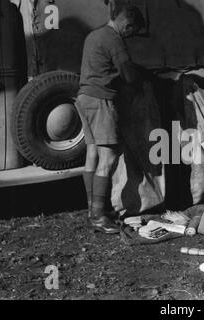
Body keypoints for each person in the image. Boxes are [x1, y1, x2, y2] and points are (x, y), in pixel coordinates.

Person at [76, 0, 145, 234]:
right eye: (132, 31)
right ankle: (98, 216)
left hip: (84, 98)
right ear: (127, 23)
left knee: (92, 153)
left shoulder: (93, 35)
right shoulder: (114, 39)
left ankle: (92, 209)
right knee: (109, 156)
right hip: (101, 100)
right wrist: (139, 80)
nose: (129, 35)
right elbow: (128, 75)